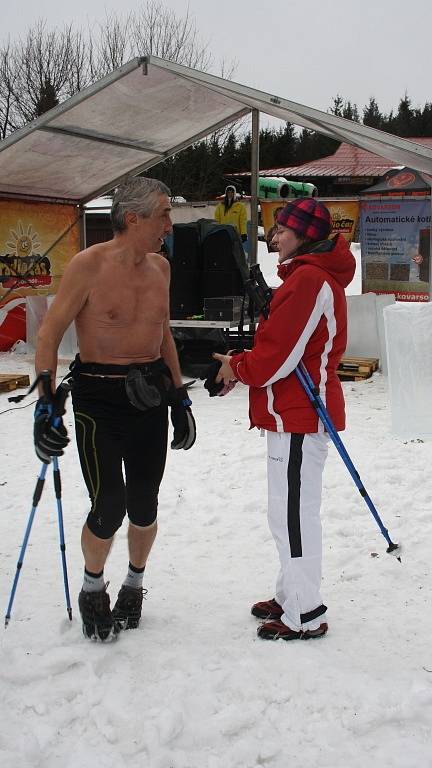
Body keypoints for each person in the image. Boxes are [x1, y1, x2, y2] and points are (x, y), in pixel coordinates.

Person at [34, 176, 196, 642]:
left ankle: (134, 582)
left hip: (149, 396)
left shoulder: (161, 268)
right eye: (163, 213)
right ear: (133, 218)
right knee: (108, 505)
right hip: (97, 401)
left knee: (144, 504)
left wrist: (179, 395)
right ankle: (91, 585)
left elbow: (162, 333)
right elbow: (48, 335)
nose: (169, 222)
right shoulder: (88, 265)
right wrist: (45, 405)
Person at [213, 198, 355, 641]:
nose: (273, 238)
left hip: (300, 413)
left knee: (293, 515)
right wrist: (244, 361)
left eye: (282, 231)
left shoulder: (310, 280)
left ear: (305, 236)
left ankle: (305, 613)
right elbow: (283, 345)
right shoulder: (304, 278)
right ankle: (290, 593)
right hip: (290, 411)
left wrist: (236, 367)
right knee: (286, 512)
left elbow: (277, 355)